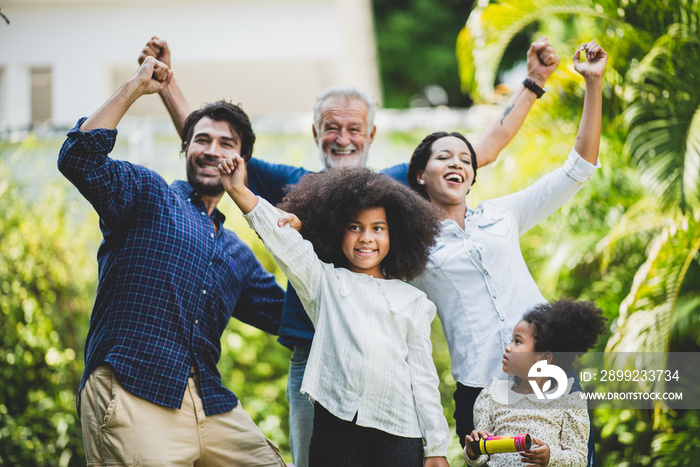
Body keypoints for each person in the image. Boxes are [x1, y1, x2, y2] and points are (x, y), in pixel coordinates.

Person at [139, 35, 560, 466]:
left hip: (385, 355)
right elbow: (215, 148)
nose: (343, 139)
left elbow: (482, 150)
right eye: (332, 128)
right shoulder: (290, 182)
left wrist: (532, 81)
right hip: (314, 355)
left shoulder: (391, 187)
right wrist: (167, 83)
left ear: (371, 133)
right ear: (316, 132)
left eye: (354, 128)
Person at [57, 56, 287, 466]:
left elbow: (293, 317)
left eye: (226, 144)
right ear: (185, 147)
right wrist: (136, 86)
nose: (211, 151)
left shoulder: (238, 253)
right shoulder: (147, 194)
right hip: (134, 388)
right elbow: (78, 158)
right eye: (201, 140)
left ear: (243, 163)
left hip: (213, 405)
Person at [408, 41, 608, 462]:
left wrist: (594, 82)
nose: (457, 163)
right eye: (443, 156)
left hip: (550, 375)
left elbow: (579, 168)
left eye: (465, 158)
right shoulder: (411, 246)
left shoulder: (502, 214)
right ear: (419, 175)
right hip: (481, 391)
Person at [217, 161, 450, 466]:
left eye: (377, 228)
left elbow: (423, 377)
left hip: (398, 430)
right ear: (339, 232)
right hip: (335, 428)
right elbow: (283, 241)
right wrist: (236, 188)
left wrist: (436, 448)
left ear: (397, 236)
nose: (366, 237)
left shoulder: (414, 301)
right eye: (355, 227)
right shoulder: (324, 283)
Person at [463, 299, 607, 466]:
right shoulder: (490, 397)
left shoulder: (569, 403)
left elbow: (580, 459)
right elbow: (480, 458)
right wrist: (473, 451)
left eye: (517, 341)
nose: (508, 347)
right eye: (511, 340)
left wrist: (550, 457)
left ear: (544, 357)